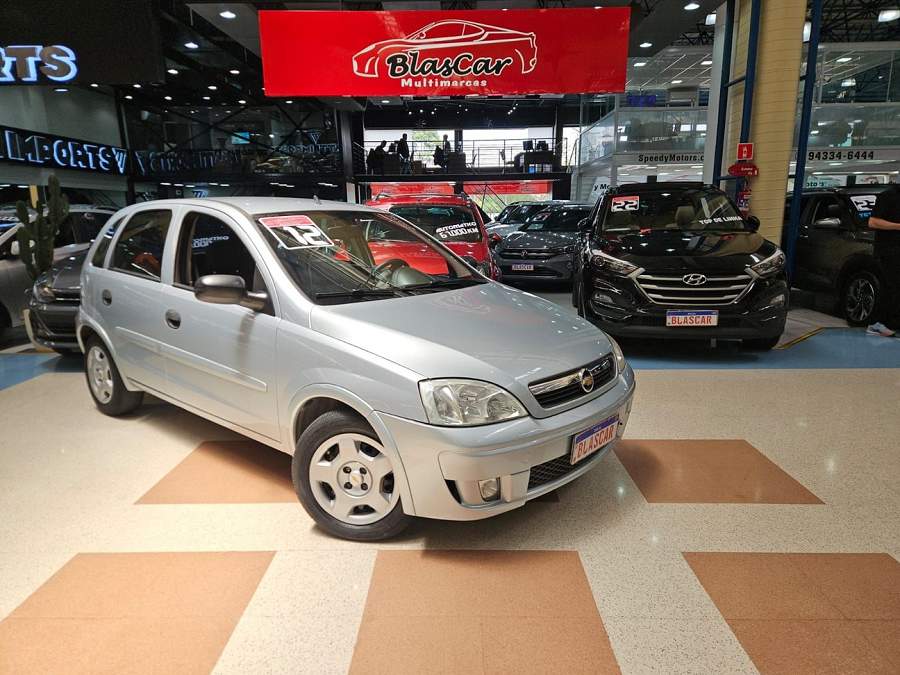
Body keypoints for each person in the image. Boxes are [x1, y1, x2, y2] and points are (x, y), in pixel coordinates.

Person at [867, 180, 900, 336]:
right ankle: (877, 323)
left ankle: (893, 323)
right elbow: (873, 222)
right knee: (891, 287)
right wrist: (898, 226)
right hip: (889, 250)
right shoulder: (888, 196)